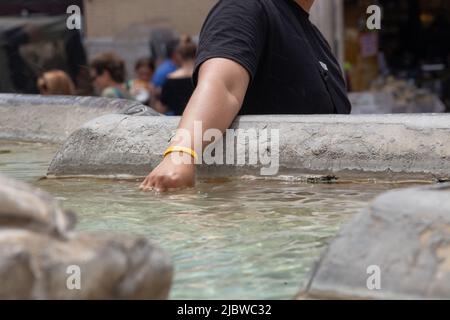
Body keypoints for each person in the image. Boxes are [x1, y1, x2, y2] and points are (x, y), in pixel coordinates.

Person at [140, 0, 352, 192]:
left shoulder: (315, 37)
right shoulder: (246, 6)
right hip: (261, 214)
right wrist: (181, 154)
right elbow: (223, 84)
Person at [155, 36, 197, 115]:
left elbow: (161, 108)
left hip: (180, 121)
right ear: (196, 54)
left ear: (179, 56)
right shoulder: (202, 76)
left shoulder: (170, 79)